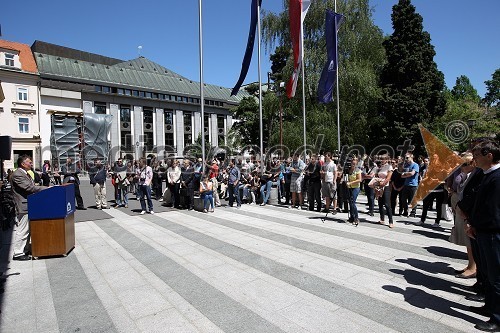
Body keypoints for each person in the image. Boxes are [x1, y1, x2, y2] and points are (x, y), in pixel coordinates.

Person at [466, 140, 500, 332]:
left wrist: (476, 226)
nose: (474, 160)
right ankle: (489, 305)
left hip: (492, 234)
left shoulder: (497, 177)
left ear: (490, 155)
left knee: (496, 278)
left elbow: (493, 211)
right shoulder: (487, 174)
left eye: (477, 156)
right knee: (487, 273)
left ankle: (497, 319)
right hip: (482, 231)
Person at [11, 155, 48, 260]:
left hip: (29, 204)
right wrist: (46, 188)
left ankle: (24, 250)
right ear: (23, 164)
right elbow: (29, 187)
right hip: (23, 206)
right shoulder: (18, 174)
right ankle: (18, 253)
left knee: (27, 229)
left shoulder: (24, 173)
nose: (31, 164)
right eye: (29, 162)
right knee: (23, 229)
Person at [449, 153, 476, 279]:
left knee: (471, 241)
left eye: (465, 164)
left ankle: (473, 267)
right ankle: (470, 264)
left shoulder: (475, 175)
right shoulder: (464, 174)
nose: (462, 167)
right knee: (467, 241)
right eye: (461, 164)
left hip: (469, 212)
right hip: (461, 208)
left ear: (472, 164)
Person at [372, 155, 394, 228]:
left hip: (386, 186)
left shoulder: (389, 167)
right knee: (380, 203)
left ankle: (391, 221)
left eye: (383, 159)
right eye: (381, 159)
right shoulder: (378, 167)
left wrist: (383, 184)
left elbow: (388, 178)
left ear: (387, 159)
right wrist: (376, 186)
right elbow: (375, 176)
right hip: (378, 186)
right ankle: (382, 219)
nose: (382, 160)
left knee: (387, 204)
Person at [400, 153, 419, 218]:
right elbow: (402, 176)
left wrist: (405, 174)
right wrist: (407, 174)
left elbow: (412, 173)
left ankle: (413, 213)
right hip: (406, 184)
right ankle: (405, 211)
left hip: (413, 185)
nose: (406, 159)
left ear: (411, 157)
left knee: (413, 200)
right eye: (405, 158)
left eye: (407, 157)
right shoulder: (406, 165)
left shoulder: (415, 165)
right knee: (403, 199)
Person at [346, 156, 362, 226]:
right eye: (352, 161)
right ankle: (352, 217)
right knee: (350, 202)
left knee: (353, 202)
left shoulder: (358, 170)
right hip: (349, 188)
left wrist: (350, 183)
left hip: (356, 188)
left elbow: (359, 180)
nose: (353, 163)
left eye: (355, 162)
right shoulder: (349, 170)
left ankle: (356, 217)